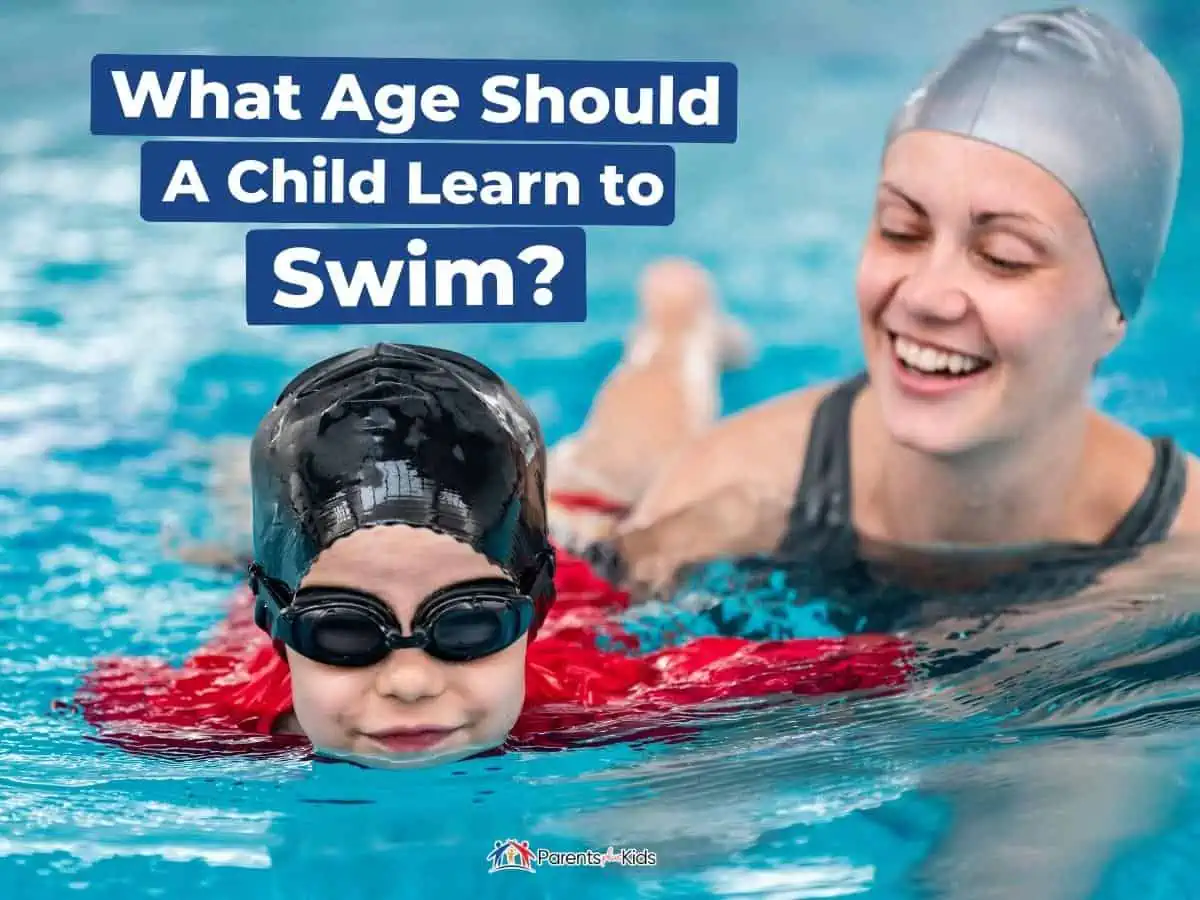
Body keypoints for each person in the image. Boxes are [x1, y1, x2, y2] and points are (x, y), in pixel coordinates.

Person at [76, 261, 908, 767]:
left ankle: (678, 322)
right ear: (272, 623)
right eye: (343, 633)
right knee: (244, 505)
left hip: (583, 541)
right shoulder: (195, 717)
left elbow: (878, 664)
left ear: (532, 610)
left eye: (469, 626)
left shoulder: (601, 695)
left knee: (628, 457)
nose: (407, 682)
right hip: (290, 558)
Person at [578, 7, 1200, 607]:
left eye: (1004, 256)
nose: (925, 296)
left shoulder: (1185, 548)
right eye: (901, 230)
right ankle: (678, 324)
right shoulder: (732, 491)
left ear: (1116, 310)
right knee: (612, 475)